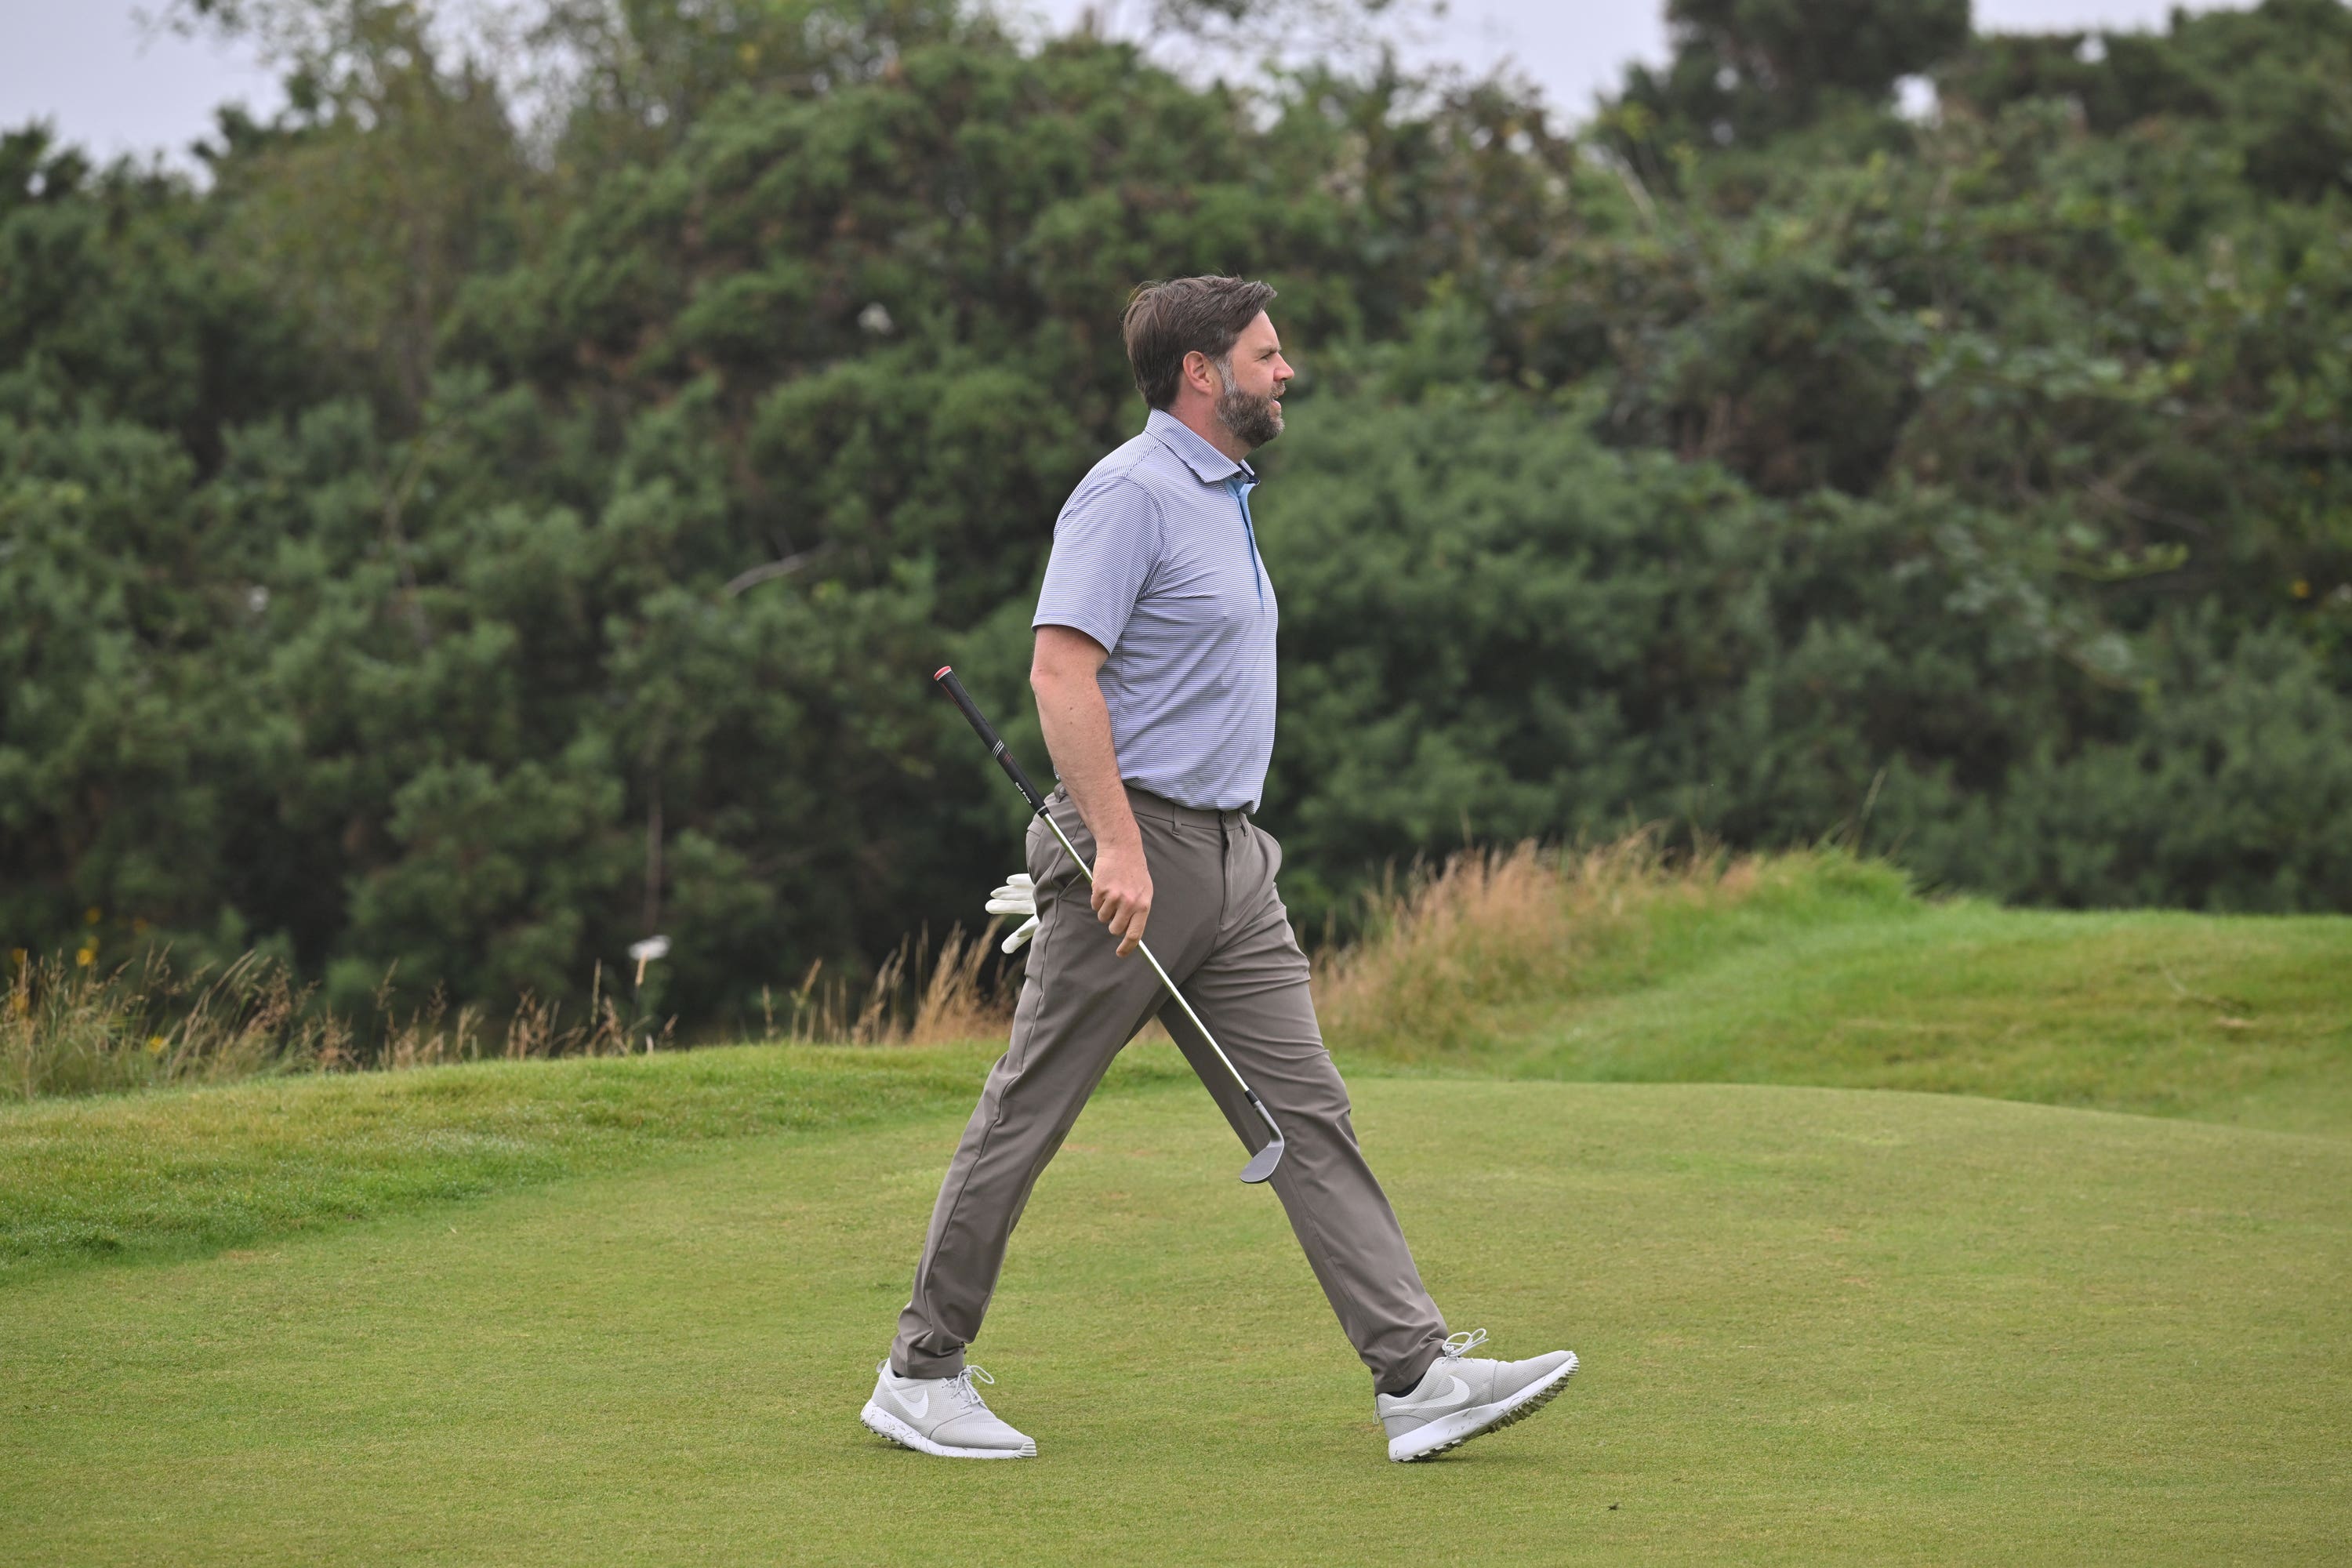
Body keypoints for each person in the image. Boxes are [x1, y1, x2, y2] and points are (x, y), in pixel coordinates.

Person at [858, 275, 1577, 1464]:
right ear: (1204, 370)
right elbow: (1058, 672)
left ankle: (1416, 1376)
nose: (1284, 371)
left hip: (1237, 863)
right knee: (1030, 1110)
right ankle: (919, 1373)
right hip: (1136, 856)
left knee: (1309, 1114)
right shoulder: (1130, 492)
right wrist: (1121, 849)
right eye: (1266, 353)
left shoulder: (1222, 494)